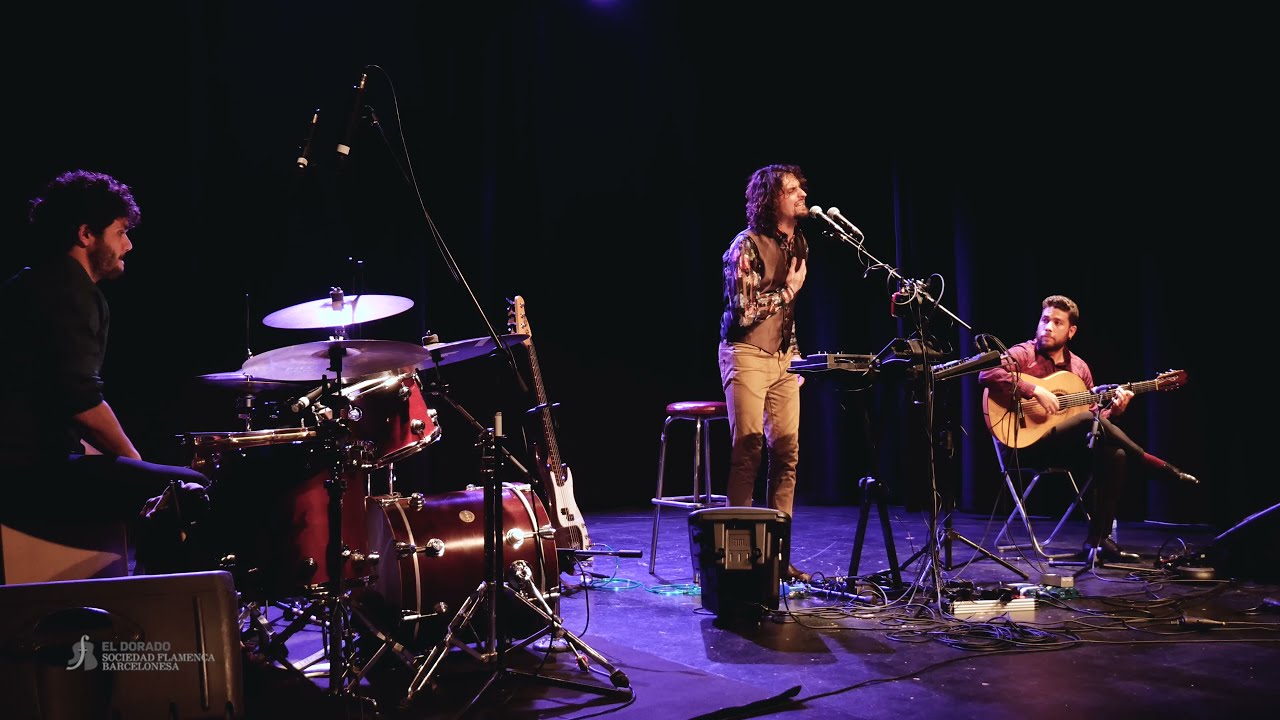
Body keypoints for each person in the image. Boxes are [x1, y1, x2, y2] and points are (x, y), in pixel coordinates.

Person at [0, 169, 209, 574]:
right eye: (120, 232)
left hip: (22, 466)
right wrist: (134, 463)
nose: (128, 245)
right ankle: (166, 603)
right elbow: (80, 401)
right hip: (28, 475)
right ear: (86, 234)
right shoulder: (72, 292)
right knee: (190, 489)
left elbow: (47, 396)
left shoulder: (28, 284)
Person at [977, 294, 1197, 563]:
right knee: (1085, 423)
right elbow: (987, 373)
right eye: (1045, 320)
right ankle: (1154, 465)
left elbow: (1094, 418)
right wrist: (1034, 390)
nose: (1048, 327)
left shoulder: (1079, 368)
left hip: (1062, 449)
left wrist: (1115, 412)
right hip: (1021, 447)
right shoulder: (1023, 354)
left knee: (1115, 454)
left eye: (1057, 322)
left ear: (1071, 331)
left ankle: (1097, 543)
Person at [718, 163, 811, 583]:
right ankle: (737, 561)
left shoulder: (799, 242)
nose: (802, 194)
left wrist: (797, 357)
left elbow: (788, 316)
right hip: (746, 354)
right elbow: (744, 313)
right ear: (773, 199)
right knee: (748, 452)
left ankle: (777, 557)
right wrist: (788, 290)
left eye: (800, 188)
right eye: (792, 190)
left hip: (783, 360)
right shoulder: (746, 246)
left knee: (787, 455)